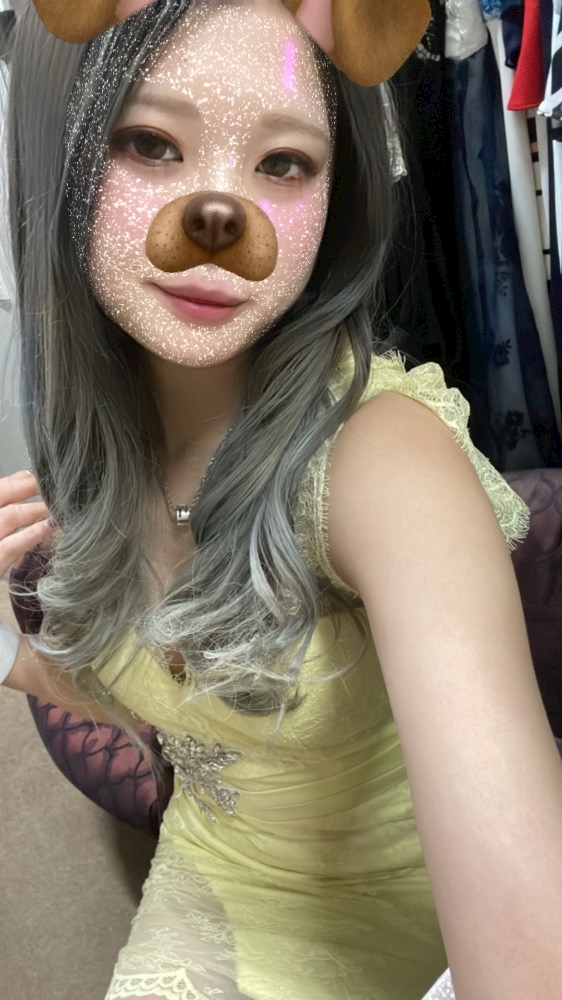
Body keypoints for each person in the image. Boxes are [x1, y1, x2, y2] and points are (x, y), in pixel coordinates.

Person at [2, 1, 562, 998]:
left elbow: (531, 959)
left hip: (415, 918)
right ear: (58, 153)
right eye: (151, 143)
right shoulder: (93, 450)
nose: (221, 216)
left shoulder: (379, 462)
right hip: (216, 884)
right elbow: (150, 695)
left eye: (285, 163)